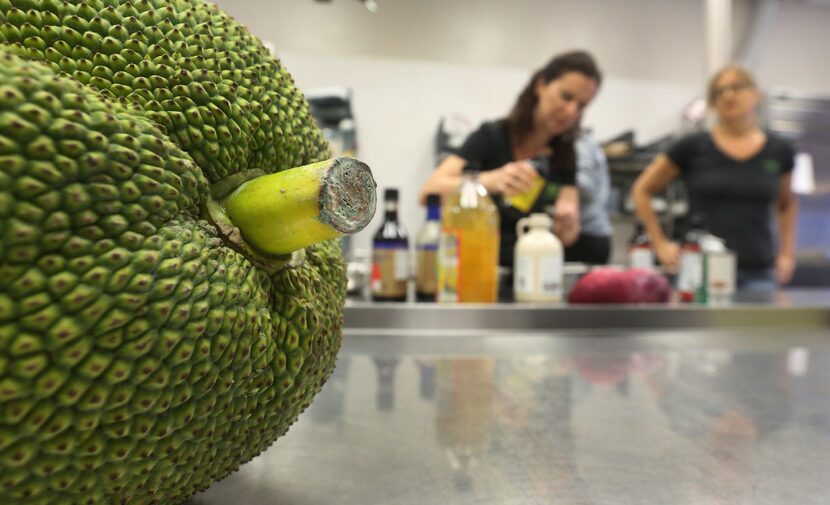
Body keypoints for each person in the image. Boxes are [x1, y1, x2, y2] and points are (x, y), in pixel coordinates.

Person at [419, 50, 603, 293]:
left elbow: (567, 232)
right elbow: (428, 192)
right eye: (566, 97)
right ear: (541, 85)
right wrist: (490, 180)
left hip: (530, 281)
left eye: (581, 106)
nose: (571, 111)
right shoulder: (491, 137)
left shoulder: (565, 155)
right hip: (473, 278)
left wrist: (568, 225)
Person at [631, 65, 798, 292]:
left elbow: (786, 204)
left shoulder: (779, 150)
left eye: (736, 87)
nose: (728, 95)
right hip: (700, 270)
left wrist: (787, 253)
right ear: (713, 103)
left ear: (756, 95)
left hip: (759, 271)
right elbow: (642, 190)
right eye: (719, 92)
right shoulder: (691, 146)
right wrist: (659, 243)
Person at [567, 131, 612, 264]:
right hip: (578, 233)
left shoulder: (578, 143)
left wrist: (548, 187)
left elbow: (585, 188)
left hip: (585, 237)